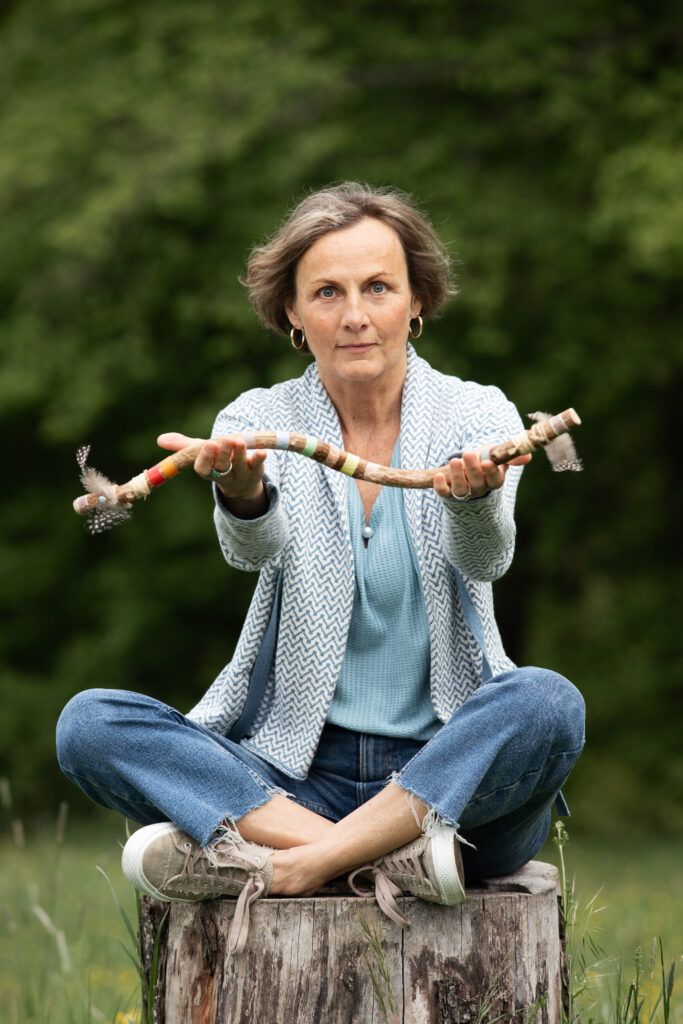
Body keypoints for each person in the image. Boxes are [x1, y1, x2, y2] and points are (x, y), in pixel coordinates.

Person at [56, 182, 585, 955]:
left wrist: (473, 501)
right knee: (88, 724)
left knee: (547, 702)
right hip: (291, 774)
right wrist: (242, 492)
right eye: (327, 293)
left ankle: (297, 865)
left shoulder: (479, 415)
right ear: (293, 317)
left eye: (378, 287)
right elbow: (251, 552)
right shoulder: (254, 420)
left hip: (451, 784)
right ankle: (364, 858)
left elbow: (487, 558)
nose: (355, 314)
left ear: (417, 302)